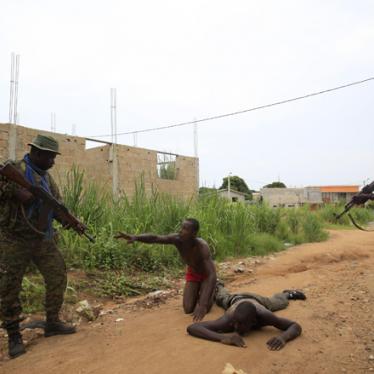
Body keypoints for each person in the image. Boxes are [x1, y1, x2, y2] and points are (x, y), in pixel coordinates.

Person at [0, 135, 77, 359]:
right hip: (14, 238)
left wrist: (68, 220)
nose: (53, 161)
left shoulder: (47, 180)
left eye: (54, 157)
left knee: (57, 275)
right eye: (50, 157)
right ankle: (14, 334)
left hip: (41, 238)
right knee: (9, 287)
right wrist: (15, 192)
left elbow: (57, 205)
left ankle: (52, 322)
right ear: (37, 153)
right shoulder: (14, 169)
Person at [115, 218, 216, 321]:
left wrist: (203, 305)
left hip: (206, 276)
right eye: (181, 227)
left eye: (185, 229)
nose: (181, 230)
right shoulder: (177, 239)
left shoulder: (202, 247)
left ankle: (212, 292)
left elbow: (211, 275)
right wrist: (136, 237)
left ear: (194, 233)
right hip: (193, 273)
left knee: (204, 308)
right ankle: (202, 291)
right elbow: (155, 238)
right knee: (188, 309)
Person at [187, 283, 305, 350]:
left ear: (254, 322)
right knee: (221, 297)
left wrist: (283, 338)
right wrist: (223, 338)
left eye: (240, 323)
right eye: (235, 322)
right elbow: (193, 328)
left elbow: (295, 326)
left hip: (258, 300)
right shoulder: (229, 319)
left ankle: (288, 293)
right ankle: (219, 285)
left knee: (280, 302)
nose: (234, 326)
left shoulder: (264, 316)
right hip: (234, 299)